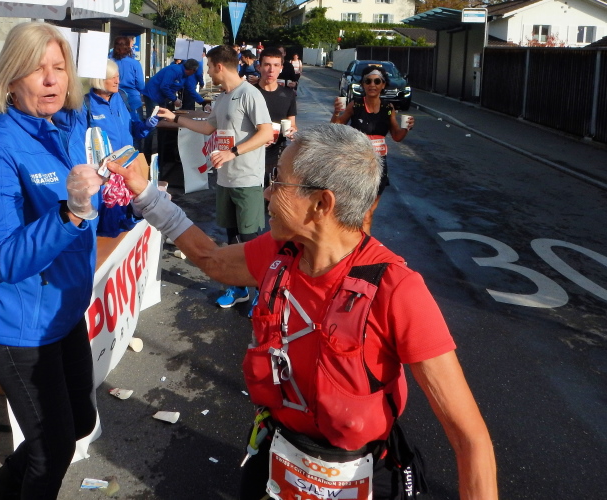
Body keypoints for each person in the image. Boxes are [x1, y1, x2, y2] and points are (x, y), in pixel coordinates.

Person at [104, 123, 498, 500]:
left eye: (278, 181)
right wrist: (147, 196)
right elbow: (212, 260)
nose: (266, 193)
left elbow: (470, 438)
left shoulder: (396, 290)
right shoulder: (281, 252)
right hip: (277, 453)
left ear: (322, 204)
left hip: (361, 473)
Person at [0, 22, 120, 499]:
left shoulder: (62, 129)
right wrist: (69, 212)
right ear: (11, 79)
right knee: (52, 453)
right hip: (17, 327)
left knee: (80, 422)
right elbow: (3, 258)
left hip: (61, 315)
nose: (52, 79)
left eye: (59, 67)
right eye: (36, 69)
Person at [155, 44, 272, 309]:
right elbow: (208, 128)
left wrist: (232, 152)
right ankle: (238, 288)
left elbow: (266, 133)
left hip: (247, 180)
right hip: (225, 180)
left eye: (209, 66)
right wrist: (175, 118)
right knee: (232, 239)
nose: (207, 71)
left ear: (219, 66)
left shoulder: (249, 94)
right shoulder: (222, 98)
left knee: (251, 240)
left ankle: (262, 293)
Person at [331, 64, 414, 235]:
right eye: (368, 81)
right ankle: (348, 242)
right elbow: (336, 126)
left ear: (383, 85)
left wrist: (406, 128)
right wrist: (336, 112)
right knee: (353, 211)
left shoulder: (388, 109)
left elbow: (396, 136)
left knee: (368, 214)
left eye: (377, 81)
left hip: (378, 166)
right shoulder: (355, 105)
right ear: (363, 84)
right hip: (356, 164)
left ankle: (362, 246)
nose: (372, 85)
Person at [141, 59, 204, 157]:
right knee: (152, 123)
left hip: (161, 97)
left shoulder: (186, 76)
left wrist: (202, 102)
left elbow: (190, 90)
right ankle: (147, 153)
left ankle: (161, 150)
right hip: (152, 95)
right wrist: (174, 99)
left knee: (162, 122)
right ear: (192, 70)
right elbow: (164, 86)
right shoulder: (174, 70)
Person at [255, 47, 297, 185]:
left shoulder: (288, 95)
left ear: (281, 68)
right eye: (267, 65)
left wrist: (292, 131)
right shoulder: (250, 93)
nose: (271, 70)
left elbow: (292, 123)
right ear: (259, 67)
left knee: (272, 193)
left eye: (276, 65)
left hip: (277, 154)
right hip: (251, 153)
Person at [111, 36, 146, 117]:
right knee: (137, 122)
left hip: (115, 97)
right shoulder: (135, 63)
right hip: (132, 98)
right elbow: (140, 84)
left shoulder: (110, 63)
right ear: (128, 47)